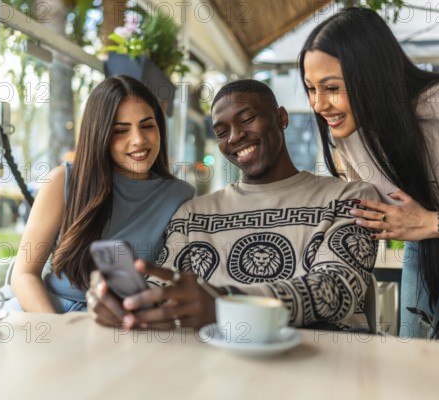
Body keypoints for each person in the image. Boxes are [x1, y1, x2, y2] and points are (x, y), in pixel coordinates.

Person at [88, 79, 381, 331]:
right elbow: (164, 290)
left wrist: (224, 304)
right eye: (221, 132)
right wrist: (123, 301)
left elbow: (335, 290)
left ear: (281, 117)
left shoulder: (350, 198)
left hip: (325, 369)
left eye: (247, 119)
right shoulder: (192, 214)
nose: (235, 136)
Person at [298, 7, 439, 337]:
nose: (318, 105)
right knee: (415, 360)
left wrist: (431, 222)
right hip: (428, 247)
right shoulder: (348, 130)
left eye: (331, 88)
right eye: (311, 89)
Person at [10, 75, 194, 313]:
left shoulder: (180, 196)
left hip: (127, 320)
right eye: (121, 131)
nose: (138, 140)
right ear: (100, 136)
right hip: (48, 312)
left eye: (147, 125)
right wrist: (54, 329)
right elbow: (24, 274)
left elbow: (176, 282)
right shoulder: (63, 181)